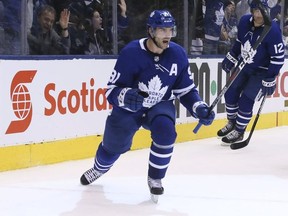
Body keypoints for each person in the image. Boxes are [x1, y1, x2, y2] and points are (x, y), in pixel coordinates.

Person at [80, 10, 215, 199]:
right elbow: (111, 91)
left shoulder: (177, 54)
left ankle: (156, 178)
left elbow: (185, 90)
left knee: (166, 131)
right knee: (112, 147)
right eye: (162, 30)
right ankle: (99, 168)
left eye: (170, 30)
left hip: (160, 104)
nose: (168, 35)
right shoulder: (131, 53)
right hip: (130, 109)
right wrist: (126, 96)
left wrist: (198, 107)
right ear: (150, 31)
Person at [217, 0, 284, 145]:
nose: (258, 13)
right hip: (244, 66)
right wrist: (232, 55)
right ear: (252, 10)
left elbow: (278, 57)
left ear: (266, 10)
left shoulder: (272, 30)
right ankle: (232, 123)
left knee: (246, 100)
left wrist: (271, 77)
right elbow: (240, 43)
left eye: (261, 9)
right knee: (230, 93)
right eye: (255, 9)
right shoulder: (244, 22)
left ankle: (240, 130)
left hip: (262, 72)